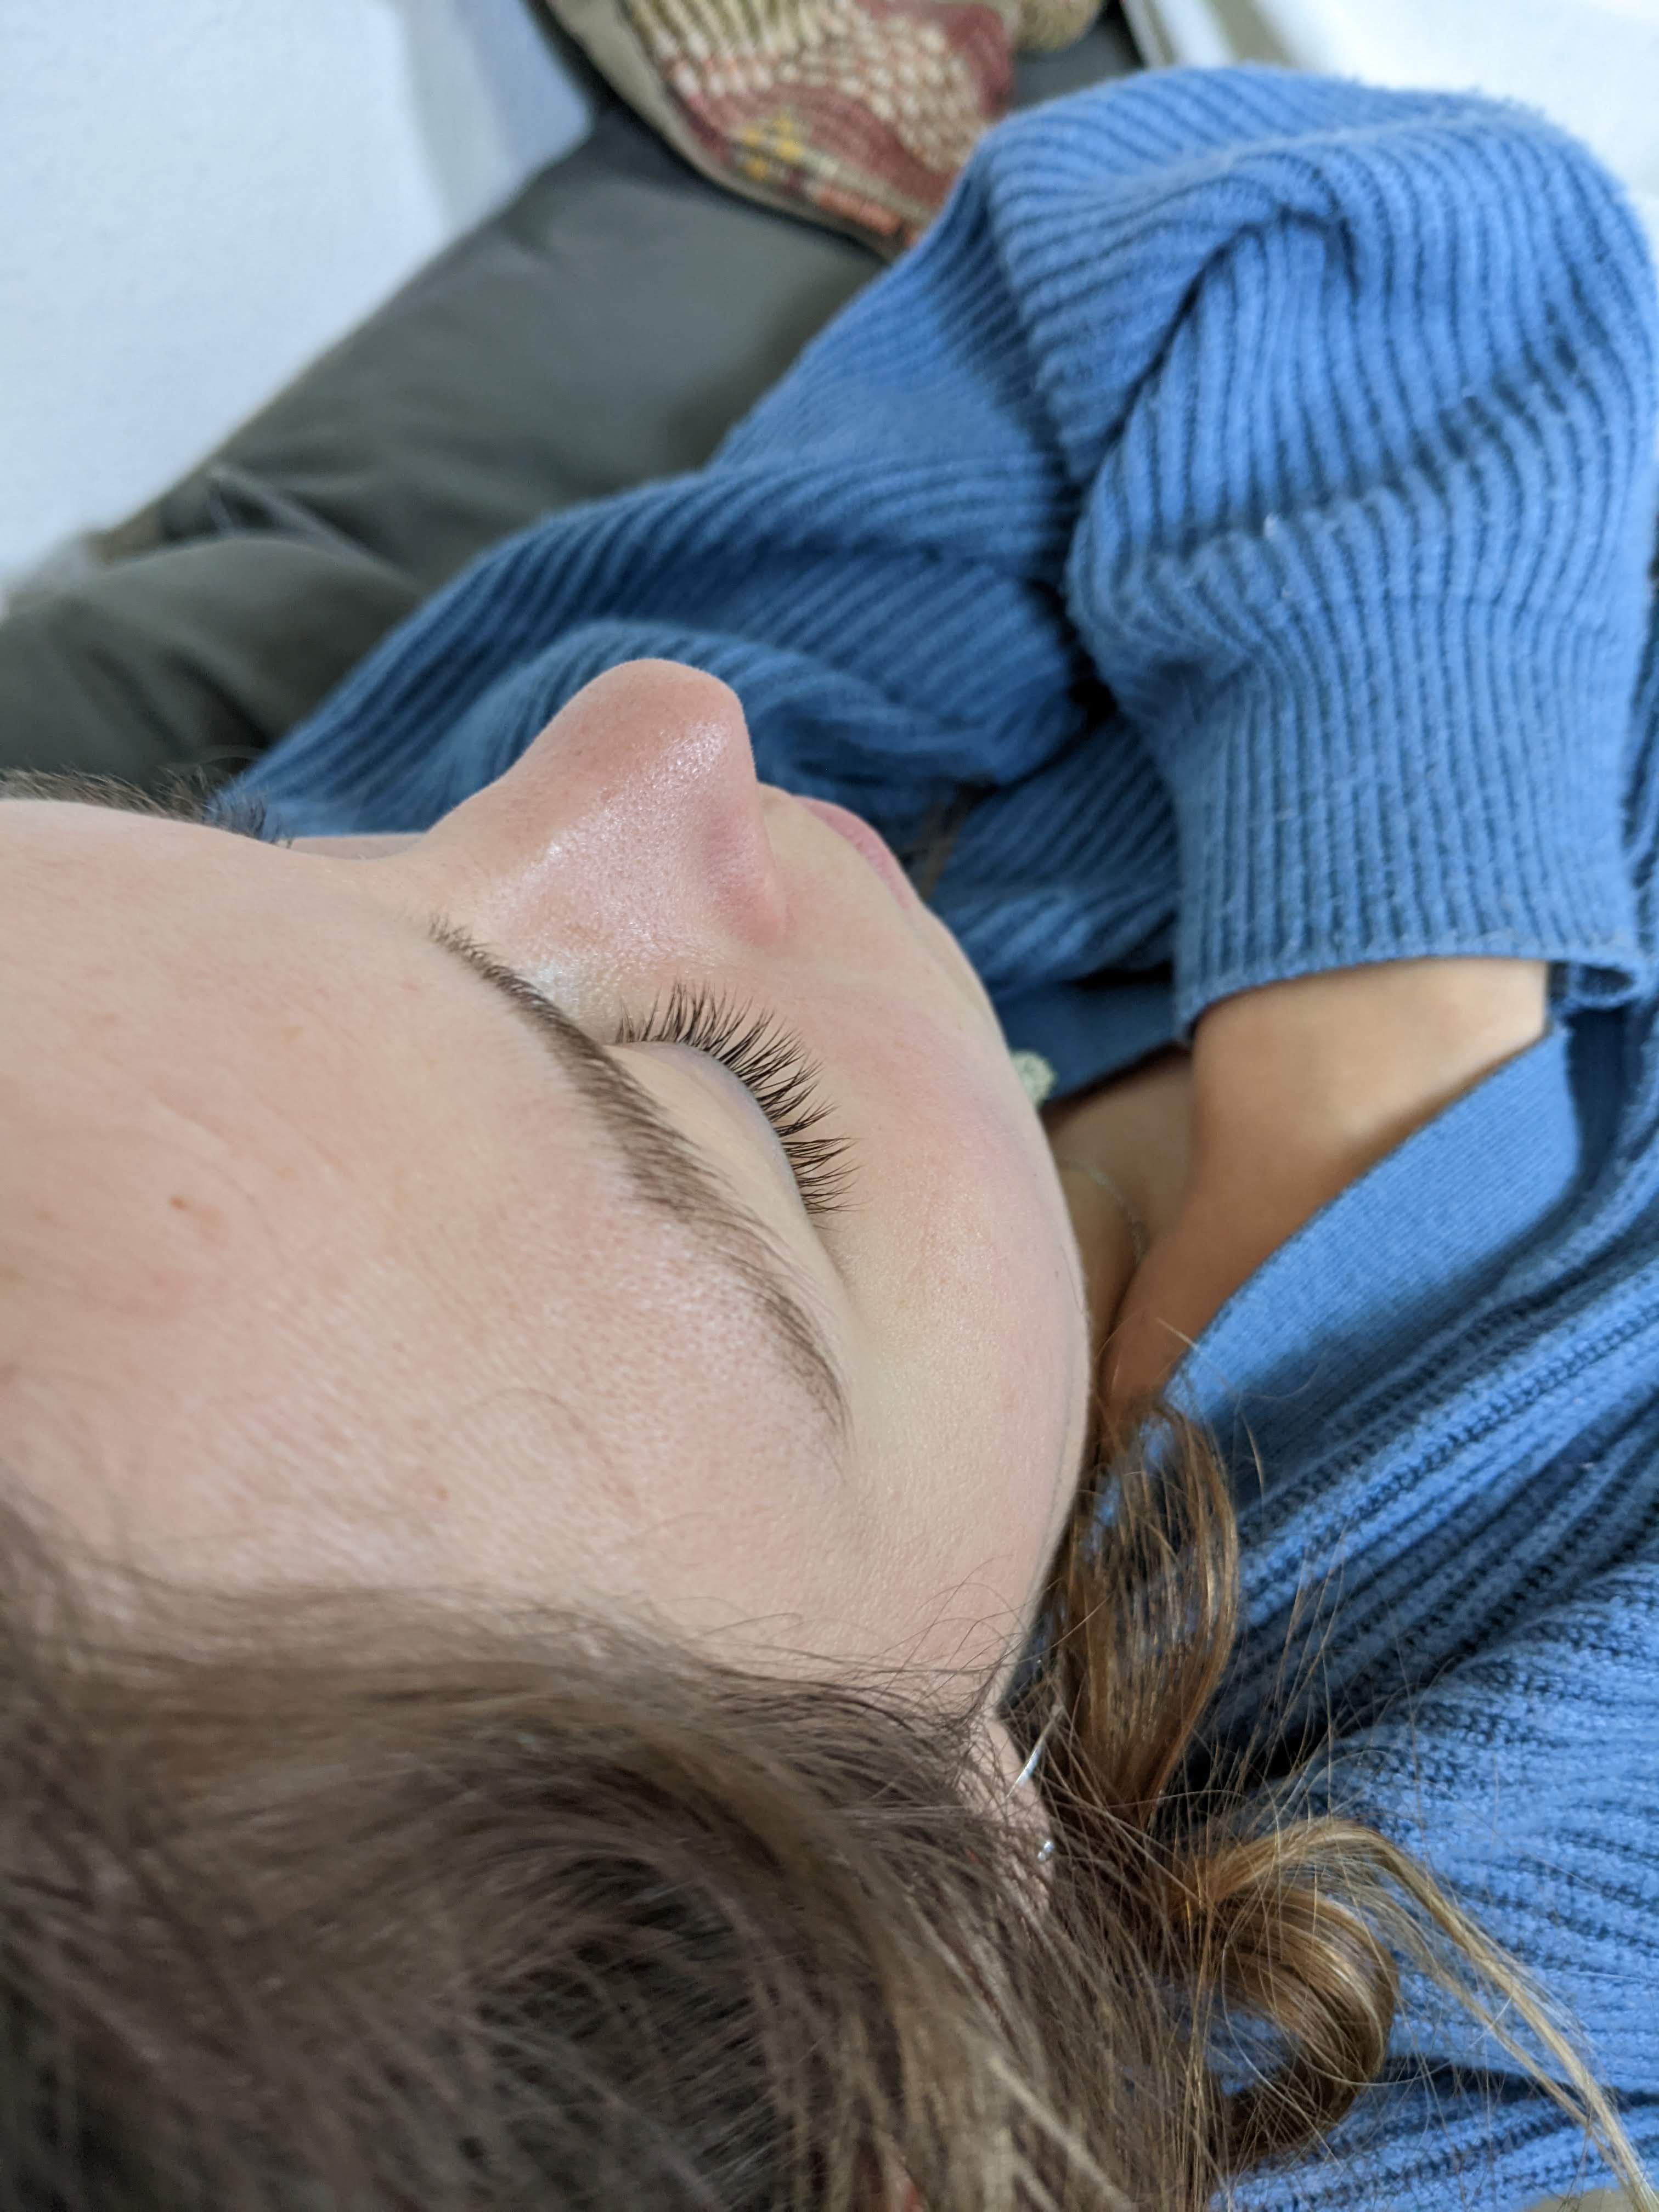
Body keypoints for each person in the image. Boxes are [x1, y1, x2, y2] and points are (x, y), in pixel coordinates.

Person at [1, 59, 1656, 2212]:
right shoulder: (1496, 1900)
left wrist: (1367, 1022)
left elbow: (1325, 222)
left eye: (239, 849)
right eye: (717, 1090)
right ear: (953, 1935)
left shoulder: (326, 1002)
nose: (646, 732)